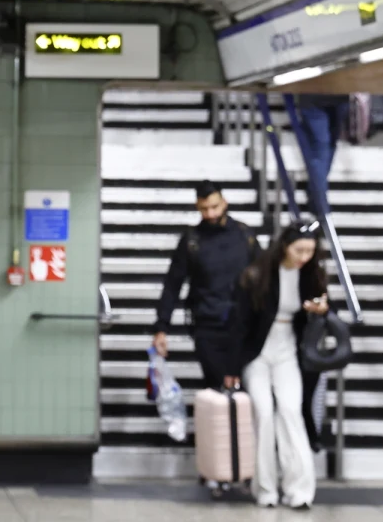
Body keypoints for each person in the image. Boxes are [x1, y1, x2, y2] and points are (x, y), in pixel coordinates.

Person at [225, 220, 328, 509]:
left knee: (290, 411)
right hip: (257, 352)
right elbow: (239, 324)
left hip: (288, 351)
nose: (304, 257)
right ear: (285, 246)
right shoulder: (258, 275)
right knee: (264, 413)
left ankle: (300, 490)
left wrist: (319, 310)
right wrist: (231, 368)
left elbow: (318, 316)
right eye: (299, 250)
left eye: (309, 251)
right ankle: (265, 488)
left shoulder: (312, 275)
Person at [152, 181, 261, 390]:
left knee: (248, 390)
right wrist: (161, 327)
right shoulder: (192, 240)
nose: (210, 214)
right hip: (207, 325)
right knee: (216, 386)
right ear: (197, 207)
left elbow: (264, 277)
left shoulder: (244, 235)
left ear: (224, 203)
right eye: (204, 209)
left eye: (214, 207)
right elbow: (172, 285)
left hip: (244, 325)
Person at [295, 94, 349, 218]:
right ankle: (320, 203)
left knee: (326, 146)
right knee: (322, 147)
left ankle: (316, 196)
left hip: (333, 94)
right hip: (320, 94)